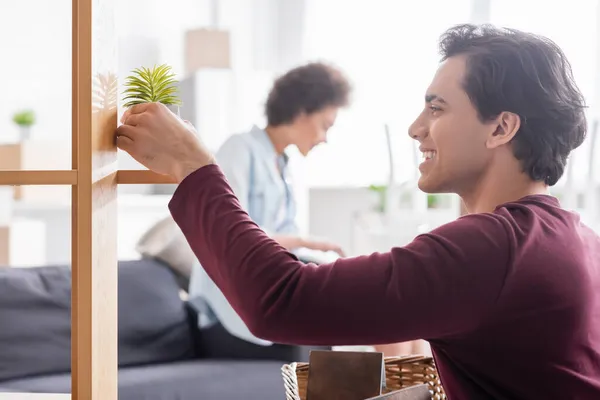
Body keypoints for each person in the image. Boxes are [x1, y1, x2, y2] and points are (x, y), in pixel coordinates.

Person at [116, 23, 600, 399]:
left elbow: (281, 301)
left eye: (437, 108)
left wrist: (193, 166)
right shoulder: (573, 237)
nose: (415, 128)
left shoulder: (495, 247)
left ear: (501, 128)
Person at [187, 62, 351, 355]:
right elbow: (231, 238)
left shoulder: (283, 166)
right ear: (301, 111)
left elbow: (281, 244)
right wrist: (304, 241)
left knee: (375, 309)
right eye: (325, 125)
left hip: (267, 291)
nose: (325, 138)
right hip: (228, 309)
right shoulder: (240, 149)